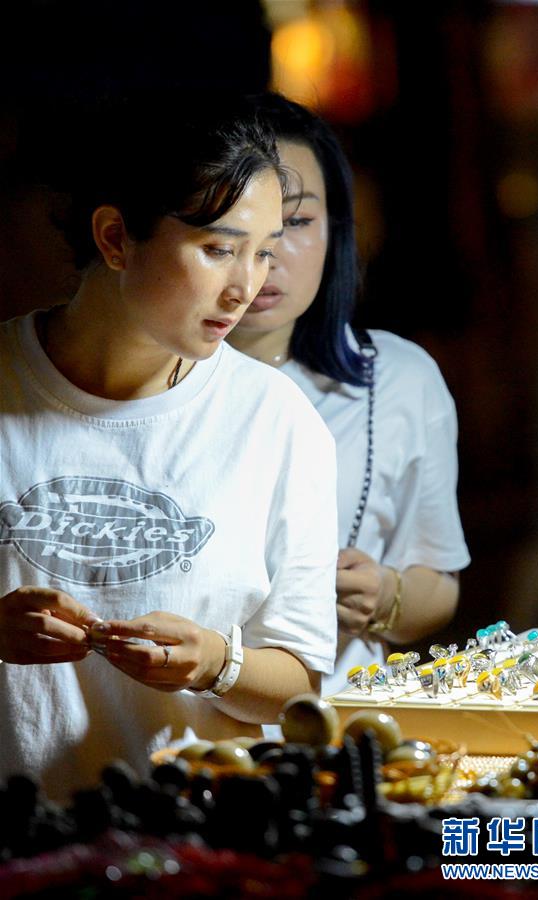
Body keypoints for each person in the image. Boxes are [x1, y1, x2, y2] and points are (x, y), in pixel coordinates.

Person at [0, 96, 338, 800]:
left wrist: (215, 662)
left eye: (265, 251)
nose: (247, 286)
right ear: (116, 237)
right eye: (218, 248)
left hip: (196, 841)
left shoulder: (275, 420)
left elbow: (301, 681)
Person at [228, 94, 470, 697]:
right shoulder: (149, 379)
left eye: (297, 222)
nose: (268, 254)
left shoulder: (399, 378)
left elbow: (437, 584)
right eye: (234, 224)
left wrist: (385, 594)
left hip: (334, 723)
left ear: (338, 228)